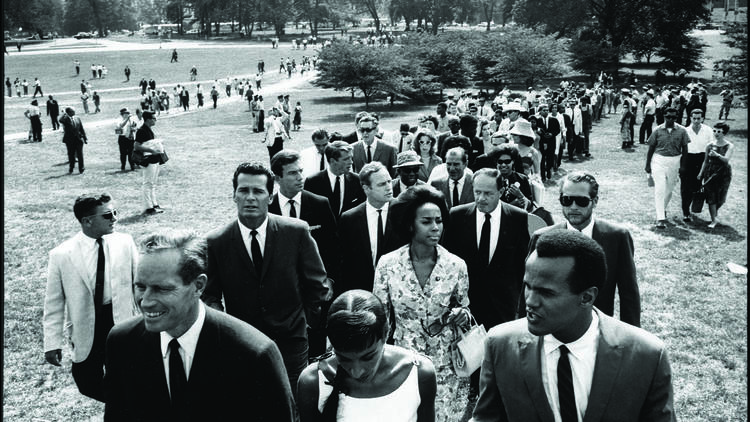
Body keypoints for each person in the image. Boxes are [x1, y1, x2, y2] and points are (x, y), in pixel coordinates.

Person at [472, 230, 676, 422]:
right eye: (527, 286)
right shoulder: (500, 344)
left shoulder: (646, 356)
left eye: (546, 292)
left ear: (587, 297)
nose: (530, 301)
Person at [103, 229, 297, 421]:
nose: (145, 302)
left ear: (198, 286)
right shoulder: (122, 342)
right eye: (141, 287)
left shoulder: (253, 353)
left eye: (161, 289)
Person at [202, 162, 331, 393]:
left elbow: (318, 284)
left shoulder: (296, 231)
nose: (250, 198)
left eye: (258, 191)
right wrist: (225, 327)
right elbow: (210, 295)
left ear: (270, 197)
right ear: (234, 195)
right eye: (243, 190)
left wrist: (305, 320)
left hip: (291, 341)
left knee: (291, 403)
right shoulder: (217, 241)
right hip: (242, 342)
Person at [373, 185, 470, 421]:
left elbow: (465, 310)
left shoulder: (456, 265)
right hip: (403, 363)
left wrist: (461, 314)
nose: (435, 227)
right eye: (426, 221)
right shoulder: (388, 265)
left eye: (439, 220)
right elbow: (379, 320)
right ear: (410, 224)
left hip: (446, 368)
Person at [443, 167, 530, 400]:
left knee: (500, 353)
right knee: (471, 354)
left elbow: (522, 265)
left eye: (488, 193)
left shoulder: (519, 218)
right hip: (467, 304)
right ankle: (473, 390)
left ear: (501, 191)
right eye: (477, 192)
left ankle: (497, 390)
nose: (481, 198)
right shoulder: (457, 216)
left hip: (503, 304)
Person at [43, 193, 138, 402]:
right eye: (107, 215)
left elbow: (139, 285)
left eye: (115, 212)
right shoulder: (62, 255)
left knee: (128, 376)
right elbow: (54, 303)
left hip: (121, 322)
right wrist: (52, 342)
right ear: (87, 221)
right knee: (87, 382)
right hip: (87, 328)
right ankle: (120, 403)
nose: (114, 218)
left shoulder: (125, 242)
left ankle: (123, 409)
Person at [519, 171, 641, 326]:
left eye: (581, 201)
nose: (573, 207)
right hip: (552, 329)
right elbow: (528, 288)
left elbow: (628, 293)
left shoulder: (617, 237)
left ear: (595, 201)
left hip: (597, 331)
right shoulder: (541, 237)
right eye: (567, 200)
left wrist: (631, 337)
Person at [298, 289, 438, 422]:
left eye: (368, 357)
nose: (357, 372)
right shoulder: (313, 381)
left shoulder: (419, 374)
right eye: (344, 358)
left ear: (386, 333)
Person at [269, 149, 340, 359]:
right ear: (277, 178)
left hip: (314, 295)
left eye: (301, 171)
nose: (300, 177)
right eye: (292, 173)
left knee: (316, 349)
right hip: (281, 295)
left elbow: (334, 248)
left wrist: (330, 280)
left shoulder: (319, 204)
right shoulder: (269, 208)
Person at [337, 162, 404, 296]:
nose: (388, 187)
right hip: (363, 291)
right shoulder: (349, 218)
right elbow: (344, 261)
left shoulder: (405, 210)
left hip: (400, 290)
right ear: (366, 188)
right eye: (381, 184)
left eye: (389, 181)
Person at [645, 107, 689, 228]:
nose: (670, 119)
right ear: (664, 116)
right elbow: (651, 148)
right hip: (659, 160)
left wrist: (683, 166)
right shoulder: (657, 130)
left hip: (674, 161)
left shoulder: (682, 131)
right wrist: (647, 164)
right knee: (660, 189)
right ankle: (660, 218)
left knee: (669, 190)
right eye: (668, 116)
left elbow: (685, 149)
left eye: (673, 117)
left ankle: (663, 209)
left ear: (677, 117)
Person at [304, 141, 366, 222]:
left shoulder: (357, 180)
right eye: (346, 159)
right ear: (332, 161)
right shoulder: (312, 182)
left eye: (351, 158)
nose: (351, 162)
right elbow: (307, 212)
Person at [698, 122, 734, 228]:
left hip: (724, 173)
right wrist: (701, 173)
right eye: (714, 131)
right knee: (711, 196)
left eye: (719, 131)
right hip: (710, 172)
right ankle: (713, 219)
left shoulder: (729, 146)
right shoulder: (709, 145)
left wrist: (717, 155)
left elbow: (726, 160)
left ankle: (714, 213)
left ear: (724, 133)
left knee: (721, 198)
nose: (716, 133)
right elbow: (705, 161)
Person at [134, 111, 165, 215]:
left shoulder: (149, 130)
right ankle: (148, 207)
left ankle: (154, 204)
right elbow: (137, 146)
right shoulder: (141, 131)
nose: (155, 120)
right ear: (148, 119)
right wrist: (152, 150)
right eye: (153, 118)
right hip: (148, 160)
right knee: (147, 184)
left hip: (155, 159)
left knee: (152, 184)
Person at [59, 107, 87, 174]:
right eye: (72, 111)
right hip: (69, 140)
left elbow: (81, 128)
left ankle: (81, 168)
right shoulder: (65, 119)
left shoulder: (77, 118)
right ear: (68, 112)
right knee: (71, 154)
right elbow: (60, 120)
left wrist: (85, 138)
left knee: (80, 154)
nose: (74, 112)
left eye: (74, 111)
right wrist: (64, 114)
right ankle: (71, 167)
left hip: (78, 139)